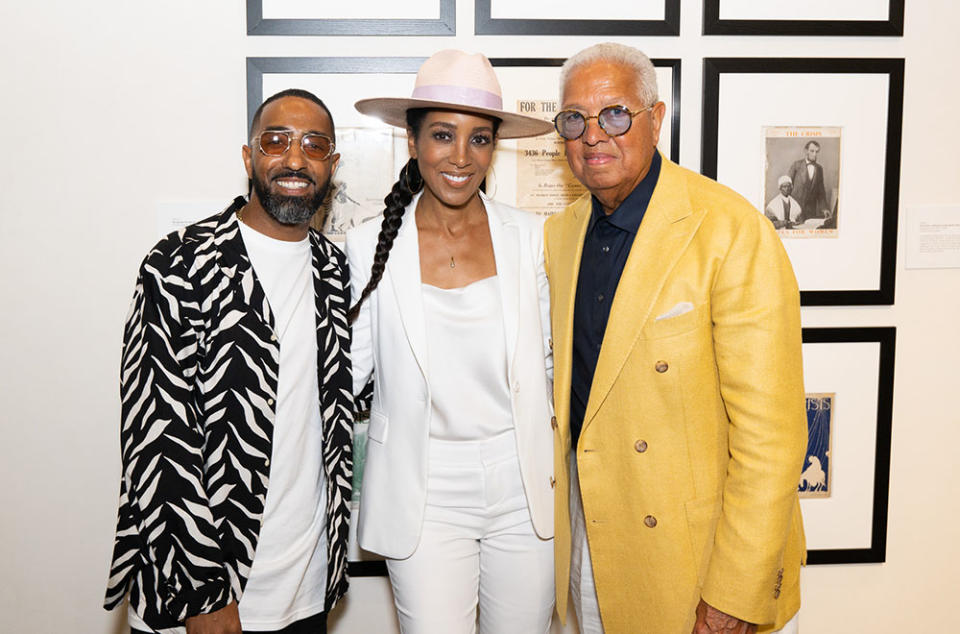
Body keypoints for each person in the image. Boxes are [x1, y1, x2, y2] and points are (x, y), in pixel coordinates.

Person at [544, 43, 807, 634]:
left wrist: (733, 596)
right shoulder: (560, 235)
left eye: (614, 114)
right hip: (595, 548)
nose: (593, 136)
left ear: (657, 119)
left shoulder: (730, 229)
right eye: (574, 120)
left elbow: (773, 437)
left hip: (701, 562)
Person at [104, 89, 354, 634]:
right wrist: (203, 594)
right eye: (276, 141)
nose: (294, 159)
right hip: (205, 594)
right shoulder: (178, 263)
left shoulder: (335, 270)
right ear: (248, 158)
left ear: (331, 166)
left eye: (314, 145)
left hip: (308, 586)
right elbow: (155, 437)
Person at [346, 49, 556, 634]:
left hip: (523, 487)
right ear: (412, 142)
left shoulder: (533, 237)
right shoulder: (367, 248)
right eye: (443, 135)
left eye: (480, 139)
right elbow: (346, 378)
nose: (461, 158)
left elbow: (553, 366)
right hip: (424, 491)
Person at [787, 140, 831, 222]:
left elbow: (821, 193)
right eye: (812, 151)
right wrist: (787, 209)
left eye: (817, 152)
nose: (815, 154)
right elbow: (787, 187)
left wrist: (825, 208)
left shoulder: (819, 169)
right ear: (805, 151)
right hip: (795, 210)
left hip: (811, 212)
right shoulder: (796, 165)